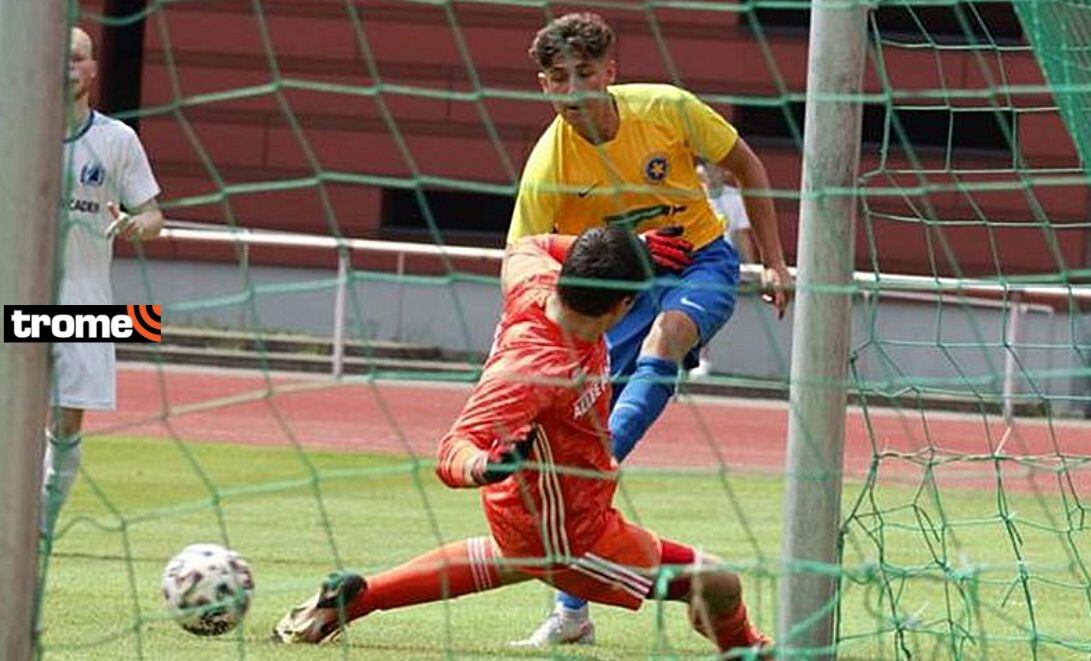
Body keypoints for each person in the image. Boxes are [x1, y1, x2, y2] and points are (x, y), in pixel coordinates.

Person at [272, 227, 772, 657]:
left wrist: (632, 246)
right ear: (623, 305)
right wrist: (482, 466)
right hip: (572, 534)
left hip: (530, 507)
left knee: (510, 558)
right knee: (718, 582)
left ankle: (357, 598)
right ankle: (750, 651)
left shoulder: (536, 280)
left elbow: (526, 244)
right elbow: (453, 448)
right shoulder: (535, 369)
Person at [506, 12, 792, 644]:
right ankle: (573, 613)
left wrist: (773, 262)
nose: (575, 88)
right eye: (560, 78)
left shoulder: (669, 109)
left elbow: (749, 168)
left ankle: (604, 457)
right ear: (544, 87)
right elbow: (522, 263)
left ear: (611, 71)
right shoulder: (547, 167)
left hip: (701, 261)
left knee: (665, 344)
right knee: (583, 457)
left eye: (586, 73)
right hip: (618, 293)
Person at [40, 27, 165, 539]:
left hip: (84, 302)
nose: (68, 68)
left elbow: (154, 216)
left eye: (77, 59)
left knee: (66, 424)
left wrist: (138, 225)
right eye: (59, 58)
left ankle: (40, 531)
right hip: (20, 297)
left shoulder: (116, 140)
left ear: (92, 69)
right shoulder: (18, 129)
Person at [690, 161, 758, 378]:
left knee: (707, 310)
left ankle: (703, 358)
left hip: (719, 265)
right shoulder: (692, 191)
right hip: (691, 258)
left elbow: (743, 235)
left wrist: (752, 267)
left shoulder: (733, 197)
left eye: (719, 168)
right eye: (709, 167)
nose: (714, 172)